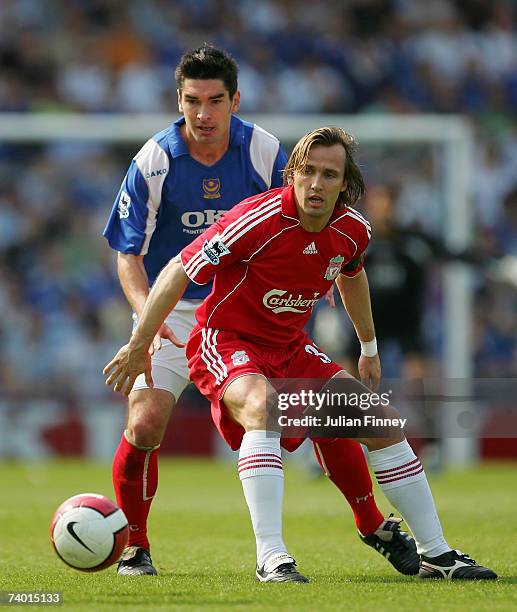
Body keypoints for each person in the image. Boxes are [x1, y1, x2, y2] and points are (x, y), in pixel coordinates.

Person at [104, 126, 496, 583]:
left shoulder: (354, 229)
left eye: (329, 175)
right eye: (307, 171)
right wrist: (138, 344)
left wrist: (367, 346)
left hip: (290, 346)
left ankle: (437, 554)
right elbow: (178, 269)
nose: (316, 183)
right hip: (225, 338)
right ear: (292, 174)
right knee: (262, 409)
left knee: (381, 422)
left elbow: (352, 273)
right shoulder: (256, 217)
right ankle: (271, 557)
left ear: (344, 185)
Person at [103, 45, 418, 577]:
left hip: (253, 314)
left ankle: (371, 523)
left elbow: (307, 220)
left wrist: (304, 295)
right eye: (192, 101)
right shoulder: (153, 161)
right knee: (146, 423)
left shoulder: (265, 152)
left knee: (327, 407)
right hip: (171, 311)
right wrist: (147, 325)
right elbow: (127, 254)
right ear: (177, 101)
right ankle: (136, 543)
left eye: (215, 101)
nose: (203, 114)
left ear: (235, 101)